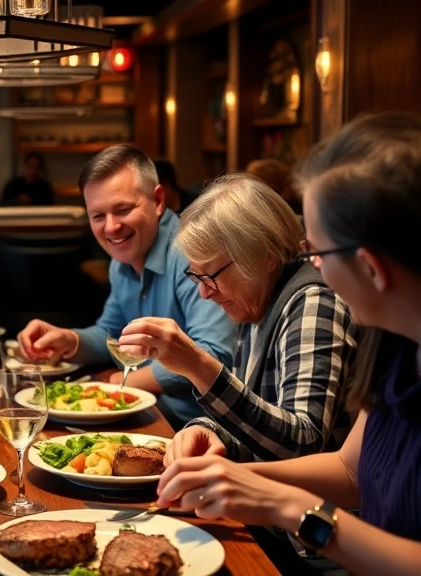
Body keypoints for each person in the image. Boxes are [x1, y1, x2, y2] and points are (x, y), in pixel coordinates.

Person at [153, 112, 421, 576]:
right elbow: (351, 473)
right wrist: (228, 477)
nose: (312, 263)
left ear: (372, 267)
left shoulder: (314, 298)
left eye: (317, 249)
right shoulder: (394, 345)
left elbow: (302, 446)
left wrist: (289, 507)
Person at [118, 173, 360, 464]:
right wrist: (206, 431)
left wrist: (198, 366)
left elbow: (302, 445)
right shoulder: (256, 301)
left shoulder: (313, 301)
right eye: (196, 276)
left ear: (265, 255)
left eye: (211, 276)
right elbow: (261, 433)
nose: (205, 293)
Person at [17, 145, 237, 429]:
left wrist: (118, 384)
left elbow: (212, 354)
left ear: (158, 200)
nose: (110, 228)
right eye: (98, 216)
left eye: (122, 210)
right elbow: (113, 336)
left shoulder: (192, 252)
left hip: (204, 429)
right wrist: (70, 340)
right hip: (154, 414)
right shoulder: (123, 258)